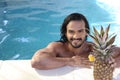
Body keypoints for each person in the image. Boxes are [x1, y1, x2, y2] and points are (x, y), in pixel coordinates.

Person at [31, 13, 120, 70]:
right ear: (65, 33)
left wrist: (112, 63)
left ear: (86, 33)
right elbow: (37, 61)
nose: (76, 36)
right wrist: (70, 61)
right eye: (71, 31)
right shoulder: (57, 47)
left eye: (80, 31)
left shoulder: (93, 49)